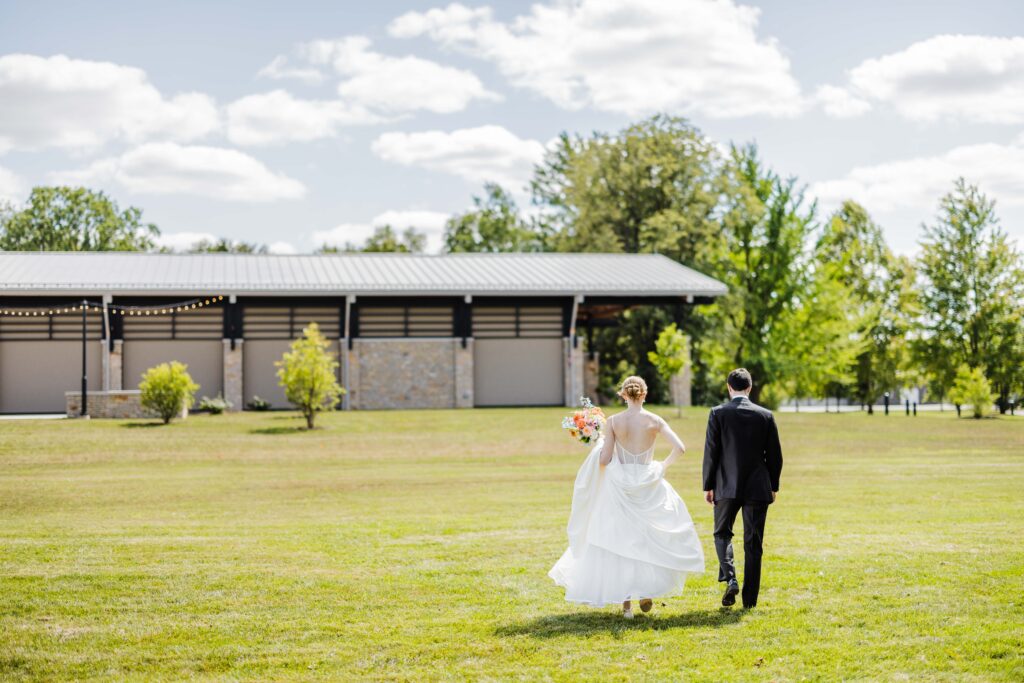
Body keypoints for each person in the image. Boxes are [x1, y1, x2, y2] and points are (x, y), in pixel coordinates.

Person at [549, 376, 704, 618]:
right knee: (647, 537)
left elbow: (604, 460)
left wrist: (598, 443)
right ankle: (646, 592)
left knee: (620, 541)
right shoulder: (655, 420)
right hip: (647, 480)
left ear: (623, 395)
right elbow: (680, 448)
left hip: (620, 484)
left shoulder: (613, 422)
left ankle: (627, 607)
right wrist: (662, 466)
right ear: (645, 394)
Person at [702, 368, 783, 609]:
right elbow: (775, 456)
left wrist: (708, 485)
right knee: (753, 543)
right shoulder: (765, 415)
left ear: (729, 388)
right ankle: (750, 601)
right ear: (749, 388)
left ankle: (731, 578)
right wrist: (773, 486)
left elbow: (711, 452)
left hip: (725, 485)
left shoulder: (717, 413)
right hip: (758, 488)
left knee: (722, 533)